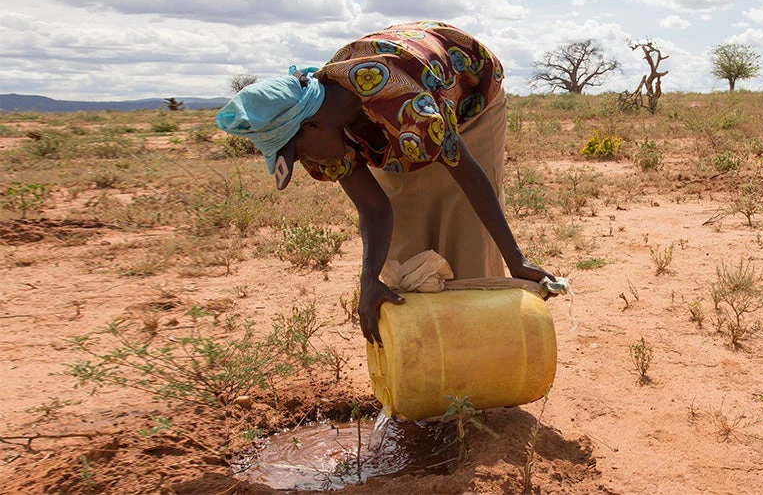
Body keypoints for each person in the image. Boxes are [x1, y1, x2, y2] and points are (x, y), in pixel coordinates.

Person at [216, 21, 552, 344]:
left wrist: (516, 260)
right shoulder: (330, 128)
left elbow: (470, 176)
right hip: (403, 117)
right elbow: (373, 206)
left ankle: (479, 354)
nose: (309, 164)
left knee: (463, 227)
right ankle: (424, 362)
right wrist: (369, 279)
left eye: (300, 154)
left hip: (469, 98)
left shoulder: (404, 102)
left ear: (311, 126)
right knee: (407, 244)